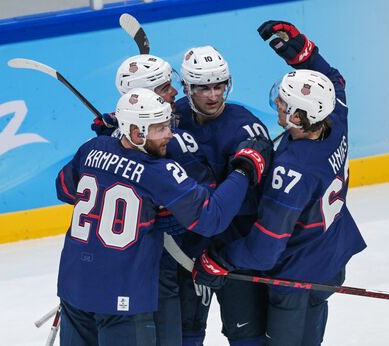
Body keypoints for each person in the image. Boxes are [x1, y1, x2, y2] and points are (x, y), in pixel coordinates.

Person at [193, 20, 367, 345]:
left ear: (300, 117)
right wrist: (301, 51)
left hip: (296, 276)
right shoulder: (335, 119)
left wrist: (218, 259)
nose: (278, 105)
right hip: (330, 257)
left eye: (285, 104)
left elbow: (265, 248)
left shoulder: (292, 171)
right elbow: (333, 81)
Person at [56, 87, 272, 346]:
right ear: (137, 133)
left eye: (168, 124)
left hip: (73, 286)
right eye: (160, 129)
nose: (170, 134)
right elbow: (212, 218)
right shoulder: (160, 173)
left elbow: (65, 189)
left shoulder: (92, 148)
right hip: (122, 297)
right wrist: (244, 169)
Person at [93, 53, 218, 345]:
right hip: (155, 261)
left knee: (186, 329)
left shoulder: (141, 139)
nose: (174, 92)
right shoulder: (129, 145)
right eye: (164, 88)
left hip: (187, 252)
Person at [175, 45, 271, 346]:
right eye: (204, 88)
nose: (214, 96)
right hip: (185, 247)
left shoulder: (245, 126)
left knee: (246, 334)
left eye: (219, 86)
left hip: (232, 249)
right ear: (187, 88)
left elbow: (260, 200)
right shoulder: (174, 116)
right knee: (186, 331)